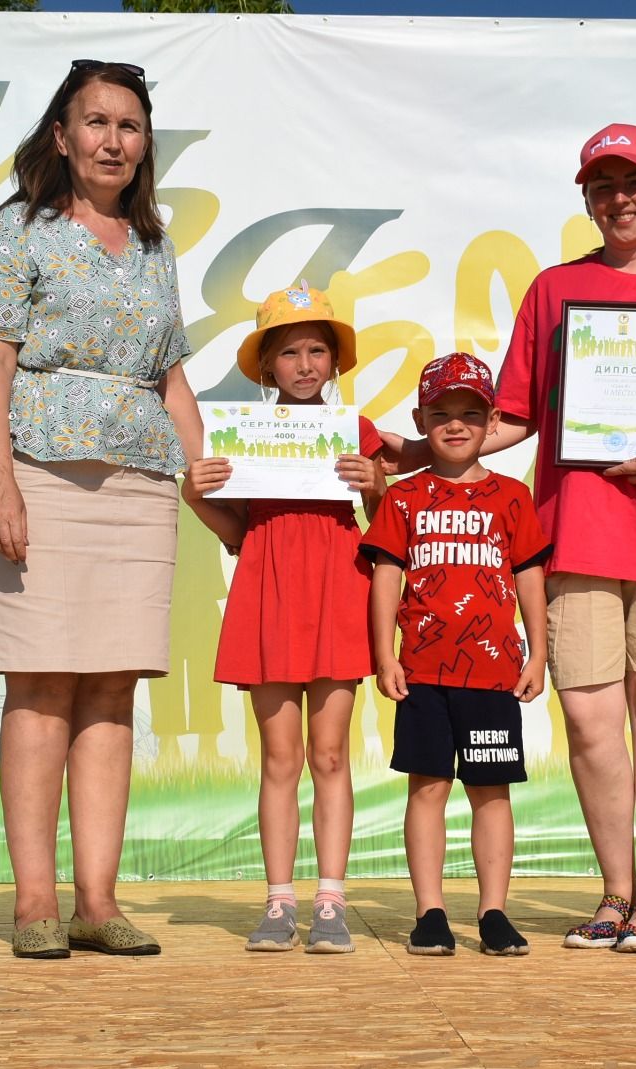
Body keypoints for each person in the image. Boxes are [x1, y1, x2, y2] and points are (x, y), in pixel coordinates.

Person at [397, 125, 636, 953]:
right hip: (576, 536)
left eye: (635, 181)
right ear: (587, 199)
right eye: (603, 185)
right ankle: (615, 889)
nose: (620, 198)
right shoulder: (555, 290)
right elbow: (514, 413)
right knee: (591, 721)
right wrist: (418, 453)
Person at [0, 60, 202, 959]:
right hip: (42, 474)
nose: (113, 140)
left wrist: (203, 475)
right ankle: (35, 903)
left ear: (145, 145)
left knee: (112, 686)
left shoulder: (155, 247)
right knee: (41, 682)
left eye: (129, 126)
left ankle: (98, 900)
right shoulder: (17, 231)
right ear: (61, 136)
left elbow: (171, 377)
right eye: (96, 122)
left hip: (139, 484)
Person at [182, 285, 385, 954]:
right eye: (289, 352)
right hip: (268, 584)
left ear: (335, 361)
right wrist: (198, 491)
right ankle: (278, 900)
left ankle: (331, 899)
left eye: (317, 350)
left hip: (336, 585)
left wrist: (376, 483)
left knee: (329, 753)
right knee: (279, 756)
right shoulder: (244, 437)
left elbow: (387, 525)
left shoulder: (357, 432)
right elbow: (237, 532)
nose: (304, 364)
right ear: (267, 367)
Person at [361, 352, 551, 957]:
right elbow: (386, 579)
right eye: (441, 412)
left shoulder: (513, 497)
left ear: (493, 422)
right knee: (428, 787)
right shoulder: (402, 498)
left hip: (494, 674)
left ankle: (494, 912)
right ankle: (430, 913)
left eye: (471, 412)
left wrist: (538, 653)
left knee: (492, 790)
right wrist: (384, 655)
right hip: (421, 673)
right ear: (420, 419)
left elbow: (529, 579)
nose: (456, 423)